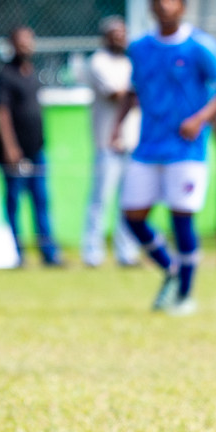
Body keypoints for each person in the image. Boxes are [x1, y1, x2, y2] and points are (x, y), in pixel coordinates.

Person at [112, 0, 216, 316]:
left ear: (182, 5)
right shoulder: (140, 48)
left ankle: (185, 294)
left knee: (182, 217)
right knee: (132, 216)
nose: (165, 5)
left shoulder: (200, 46)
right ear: (151, 6)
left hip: (186, 149)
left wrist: (201, 118)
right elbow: (134, 91)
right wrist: (117, 125)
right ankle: (170, 268)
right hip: (148, 147)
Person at [0, 26, 62, 267]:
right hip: (14, 154)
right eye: (20, 42)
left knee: (41, 202)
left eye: (28, 42)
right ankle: (15, 253)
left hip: (36, 151)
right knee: (13, 203)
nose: (25, 46)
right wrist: (10, 147)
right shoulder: (4, 75)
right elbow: (1, 112)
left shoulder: (32, 73)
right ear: (11, 45)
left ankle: (49, 254)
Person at [82, 19, 141, 268]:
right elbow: (117, 95)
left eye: (123, 33)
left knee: (130, 202)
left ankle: (126, 254)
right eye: (115, 34)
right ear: (105, 36)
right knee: (100, 200)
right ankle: (92, 254)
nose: (120, 37)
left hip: (132, 143)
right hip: (107, 143)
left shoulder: (130, 63)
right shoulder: (97, 62)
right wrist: (144, 91)